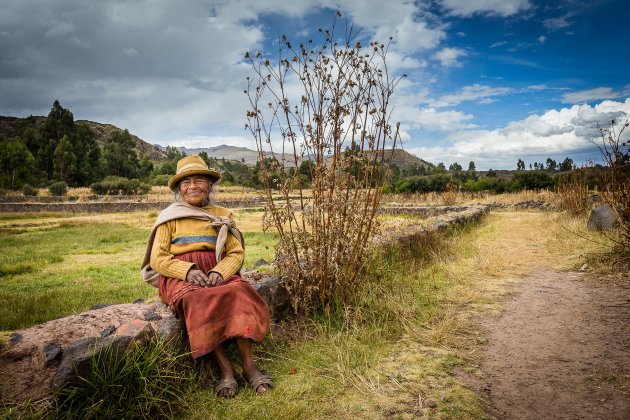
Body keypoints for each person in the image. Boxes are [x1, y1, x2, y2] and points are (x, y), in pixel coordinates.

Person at [140, 155, 272, 398]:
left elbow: (236, 253)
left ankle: (249, 367)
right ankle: (225, 370)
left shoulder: (222, 215)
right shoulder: (169, 217)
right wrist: (188, 271)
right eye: (186, 182)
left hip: (217, 271)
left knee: (239, 291)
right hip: (179, 275)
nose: (192, 186)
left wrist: (219, 272)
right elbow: (158, 259)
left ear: (210, 185)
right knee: (196, 300)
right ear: (179, 189)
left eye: (199, 180)